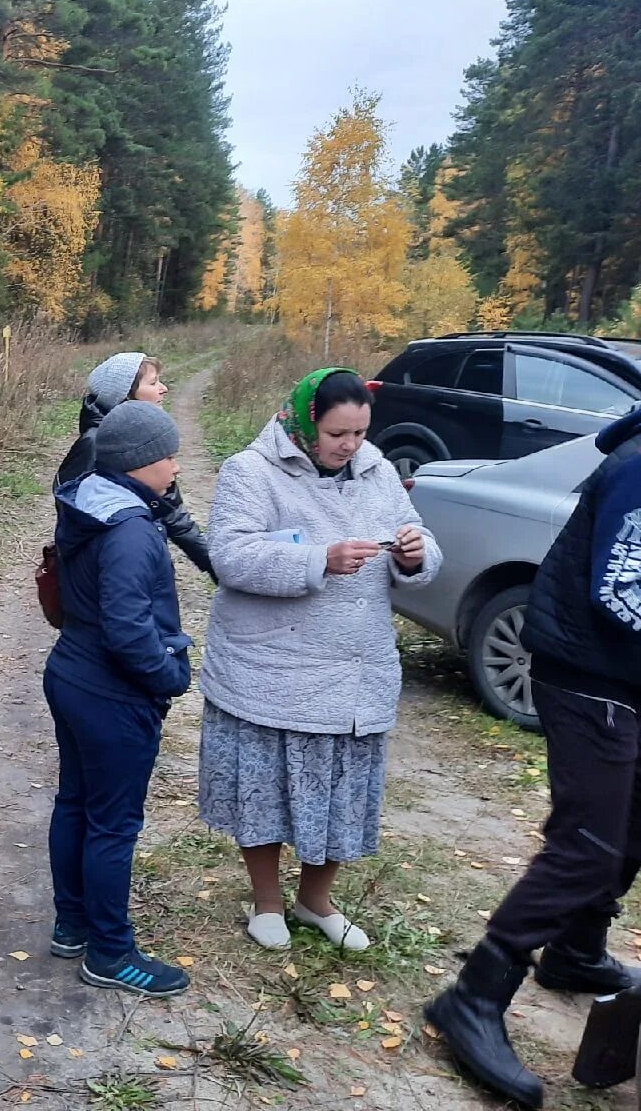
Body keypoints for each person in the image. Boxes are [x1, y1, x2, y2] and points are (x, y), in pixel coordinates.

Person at [425, 403, 641, 1110]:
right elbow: (620, 589)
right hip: (589, 675)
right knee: (585, 844)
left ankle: (576, 952)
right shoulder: (639, 467)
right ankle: (474, 995)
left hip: (626, 677)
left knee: (630, 825)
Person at [198, 369, 439, 952]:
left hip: (356, 669)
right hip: (274, 668)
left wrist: (414, 553)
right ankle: (267, 902)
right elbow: (230, 556)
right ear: (307, 422)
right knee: (266, 788)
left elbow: (421, 543)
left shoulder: (377, 472)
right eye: (337, 433)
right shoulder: (251, 472)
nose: (349, 445)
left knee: (342, 791)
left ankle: (315, 901)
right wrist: (319, 562)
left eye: (359, 432)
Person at [45, 399, 193, 995]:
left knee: (76, 803)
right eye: (168, 454)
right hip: (112, 693)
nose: (177, 465)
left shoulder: (88, 502)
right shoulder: (131, 531)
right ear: (139, 463)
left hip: (71, 674)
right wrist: (168, 677)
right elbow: (129, 627)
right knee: (112, 824)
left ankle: (72, 923)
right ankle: (110, 953)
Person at [54, 351, 211, 576]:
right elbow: (71, 517)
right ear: (125, 396)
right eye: (153, 383)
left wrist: (218, 567)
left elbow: (170, 510)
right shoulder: (93, 444)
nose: (163, 388)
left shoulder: (143, 434)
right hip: (107, 572)